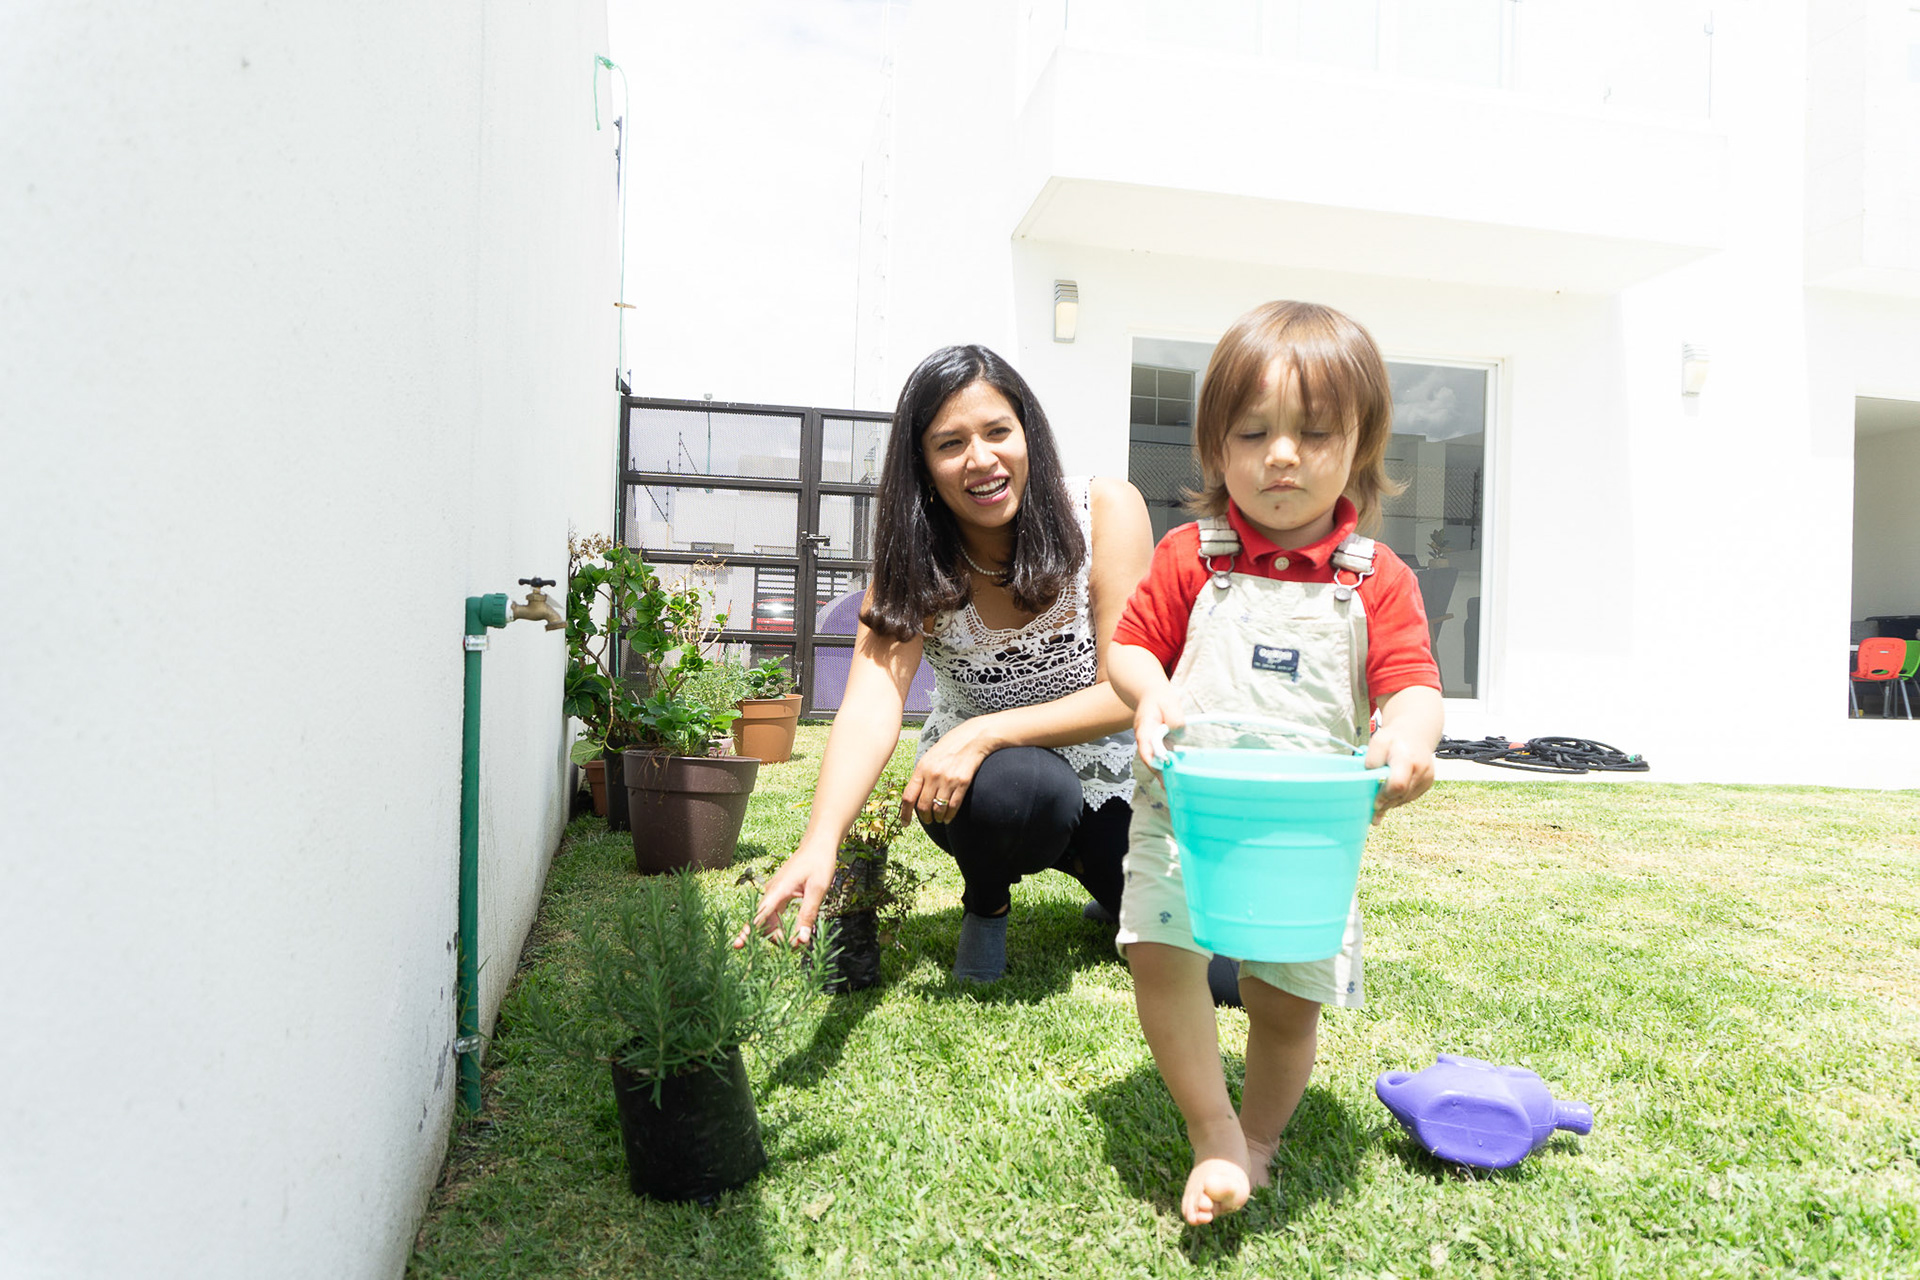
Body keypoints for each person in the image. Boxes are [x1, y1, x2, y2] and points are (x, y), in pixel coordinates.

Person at [1106, 300, 1445, 1226]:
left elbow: (1413, 684)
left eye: (1312, 433)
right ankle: (1212, 1127)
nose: (1281, 455)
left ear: (1361, 445)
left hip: (1305, 829)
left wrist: (1408, 739)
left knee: (1284, 995)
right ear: (1216, 447)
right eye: (1253, 432)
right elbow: (1129, 648)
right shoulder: (1190, 556)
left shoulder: (1378, 579)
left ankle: (1258, 1138)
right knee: (1162, 956)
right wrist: (1151, 690)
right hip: (1184, 810)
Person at [741, 344, 1154, 984]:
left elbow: (1127, 693)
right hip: (990, 795)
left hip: (1113, 776)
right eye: (950, 443)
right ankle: (986, 903)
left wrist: (983, 729)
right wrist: (818, 842)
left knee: (1220, 973)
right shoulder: (915, 561)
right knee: (1023, 789)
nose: (981, 460)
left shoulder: (1105, 511)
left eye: (997, 432)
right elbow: (871, 704)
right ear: (923, 466)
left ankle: (1112, 883)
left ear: (1028, 434)